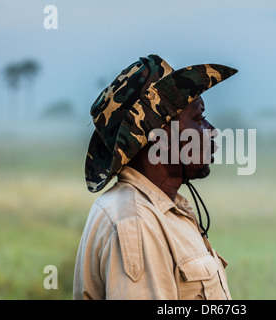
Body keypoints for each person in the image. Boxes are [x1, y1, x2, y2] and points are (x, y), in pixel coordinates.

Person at [73, 54, 237, 300]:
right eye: (199, 119)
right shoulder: (136, 224)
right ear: (159, 135)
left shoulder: (163, 209)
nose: (212, 131)